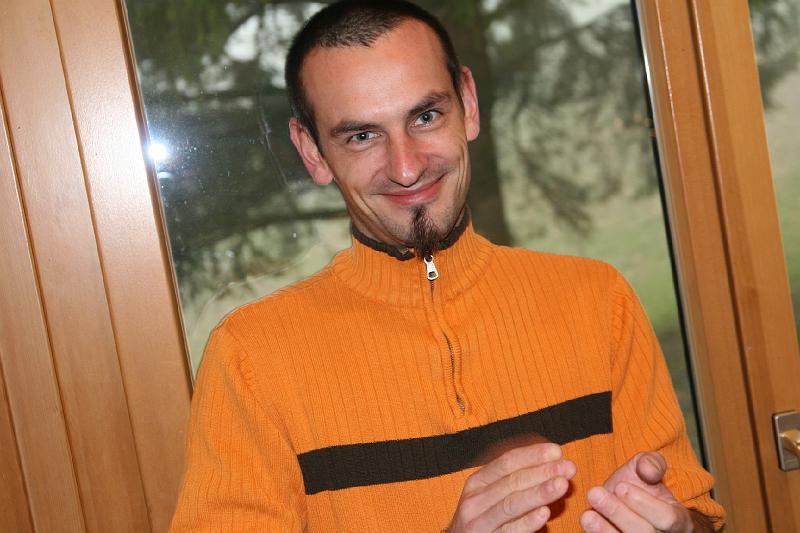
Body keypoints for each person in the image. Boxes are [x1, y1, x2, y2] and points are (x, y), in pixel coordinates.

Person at [170, 1, 725, 531]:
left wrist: (679, 526)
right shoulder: (251, 359)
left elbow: (695, 511)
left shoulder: (599, 301)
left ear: (469, 105)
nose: (406, 167)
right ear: (313, 151)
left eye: (426, 115)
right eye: (362, 136)